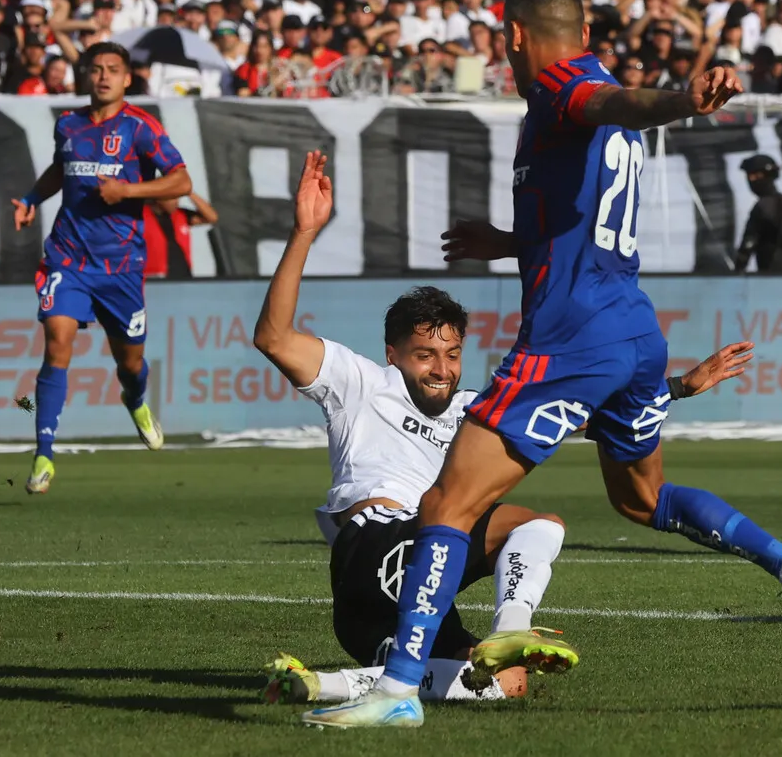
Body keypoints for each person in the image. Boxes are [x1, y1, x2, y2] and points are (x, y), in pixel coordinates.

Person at [302, 0, 782, 731]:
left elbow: (613, 101)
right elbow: (581, 197)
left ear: (513, 38)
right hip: (632, 324)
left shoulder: (565, 88)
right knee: (641, 500)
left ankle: (397, 692)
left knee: (446, 504)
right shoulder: (584, 93)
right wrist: (506, 242)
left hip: (570, 334)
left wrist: (683, 101)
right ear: (588, 31)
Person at [253, 155, 751, 706]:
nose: (440, 369)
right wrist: (303, 233)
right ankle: (512, 624)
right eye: (424, 355)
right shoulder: (361, 382)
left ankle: (318, 683)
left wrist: (677, 386)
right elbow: (274, 337)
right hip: (375, 544)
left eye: (450, 353)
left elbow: (585, 418)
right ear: (392, 354)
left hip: (393, 590)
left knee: (502, 686)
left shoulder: (478, 410)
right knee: (538, 522)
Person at [12, 41, 191, 496]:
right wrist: (32, 199)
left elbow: (181, 181)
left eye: (113, 69)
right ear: (84, 76)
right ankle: (44, 454)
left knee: (129, 362)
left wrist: (128, 192)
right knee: (57, 340)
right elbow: (61, 169)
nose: (103, 76)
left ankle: (134, 399)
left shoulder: (140, 127)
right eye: (95, 69)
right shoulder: (68, 124)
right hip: (67, 257)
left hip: (122, 267)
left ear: (127, 78)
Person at [143, 193, 219, 280]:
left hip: (183, 275)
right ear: (159, 199)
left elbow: (212, 217)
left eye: (178, 198)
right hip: (154, 277)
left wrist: (189, 192)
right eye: (172, 199)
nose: (176, 202)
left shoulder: (181, 214)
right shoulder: (140, 215)